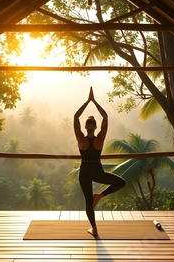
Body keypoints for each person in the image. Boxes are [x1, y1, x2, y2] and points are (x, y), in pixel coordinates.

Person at [73, 87, 126, 236]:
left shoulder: (81, 139)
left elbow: (76, 117)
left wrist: (87, 102)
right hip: (97, 171)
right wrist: (94, 101)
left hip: (84, 171)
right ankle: (100, 195)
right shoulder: (100, 139)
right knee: (121, 182)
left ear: (85, 127)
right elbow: (105, 117)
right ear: (95, 127)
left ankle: (94, 229)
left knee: (88, 202)